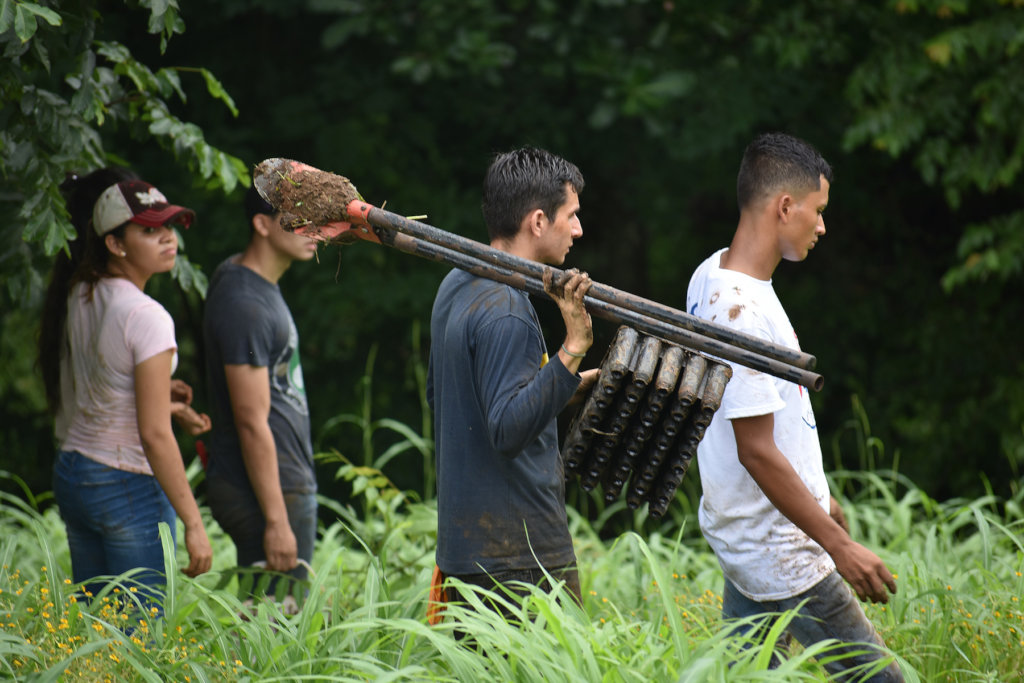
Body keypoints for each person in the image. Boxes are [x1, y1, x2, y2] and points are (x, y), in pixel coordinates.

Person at [685, 132, 903, 681]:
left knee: (748, 674)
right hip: (780, 551)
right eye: (818, 211)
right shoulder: (739, 312)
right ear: (785, 207)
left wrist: (819, 499)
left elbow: (767, 421)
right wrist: (841, 547)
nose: (822, 226)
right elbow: (756, 451)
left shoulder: (712, 274)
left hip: (750, 539)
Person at [427, 146, 598, 617]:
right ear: (538, 221)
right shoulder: (508, 310)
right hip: (521, 564)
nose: (579, 230)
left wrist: (566, 383)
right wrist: (572, 349)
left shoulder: (456, 283)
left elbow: (446, 399)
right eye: (572, 215)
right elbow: (505, 429)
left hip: (467, 554)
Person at [40, 170, 213, 601]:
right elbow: (153, 435)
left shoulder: (81, 291)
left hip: (77, 473)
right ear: (115, 244)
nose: (167, 237)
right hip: (125, 484)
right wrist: (193, 522)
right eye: (149, 230)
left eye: (169, 225)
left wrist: (166, 400)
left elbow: (102, 381)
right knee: (138, 637)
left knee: (100, 630)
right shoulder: (148, 316)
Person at [202, 185, 318, 606]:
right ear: (261, 225)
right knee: (277, 635)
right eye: (298, 220)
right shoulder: (245, 303)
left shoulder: (243, 280)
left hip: (277, 484)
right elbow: (251, 420)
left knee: (271, 628)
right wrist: (276, 521)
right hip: (270, 492)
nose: (314, 232)